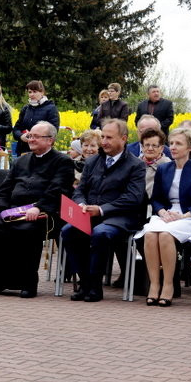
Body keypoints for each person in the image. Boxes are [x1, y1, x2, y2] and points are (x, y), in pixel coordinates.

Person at [0, 122, 75, 298]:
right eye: (30, 136)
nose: (31, 139)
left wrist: (39, 207)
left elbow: (58, 189)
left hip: (45, 213)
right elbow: (5, 188)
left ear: (50, 140)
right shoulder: (21, 160)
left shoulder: (63, 161)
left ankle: (26, 283)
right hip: (14, 211)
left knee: (26, 230)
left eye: (36, 137)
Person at [59, 119, 146, 302]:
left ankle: (95, 287)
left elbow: (133, 198)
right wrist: (81, 204)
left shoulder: (135, 165)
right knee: (68, 231)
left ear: (123, 139)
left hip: (121, 217)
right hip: (90, 213)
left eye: (109, 138)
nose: (104, 142)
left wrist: (101, 209)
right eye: (103, 137)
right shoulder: (93, 162)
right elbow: (80, 190)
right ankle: (85, 283)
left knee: (100, 233)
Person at [136, 127, 191, 307]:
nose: (173, 147)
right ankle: (154, 284)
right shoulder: (164, 169)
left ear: (190, 147)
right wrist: (162, 212)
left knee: (165, 235)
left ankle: (168, 285)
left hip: (190, 216)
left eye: (178, 143)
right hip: (166, 213)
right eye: (171, 143)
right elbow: (156, 199)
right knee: (150, 234)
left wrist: (184, 215)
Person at [12, 80, 59, 155]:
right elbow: (16, 129)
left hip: (42, 150)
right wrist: (21, 136)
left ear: (42, 92)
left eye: (35, 91)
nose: (32, 94)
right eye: (30, 92)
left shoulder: (51, 109)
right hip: (23, 150)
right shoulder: (25, 109)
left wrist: (35, 137)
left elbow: (53, 132)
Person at [139, 128, 171, 199]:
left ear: (162, 148)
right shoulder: (134, 165)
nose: (150, 148)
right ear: (142, 147)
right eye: (147, 145)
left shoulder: (169, 167)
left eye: (154, 145)